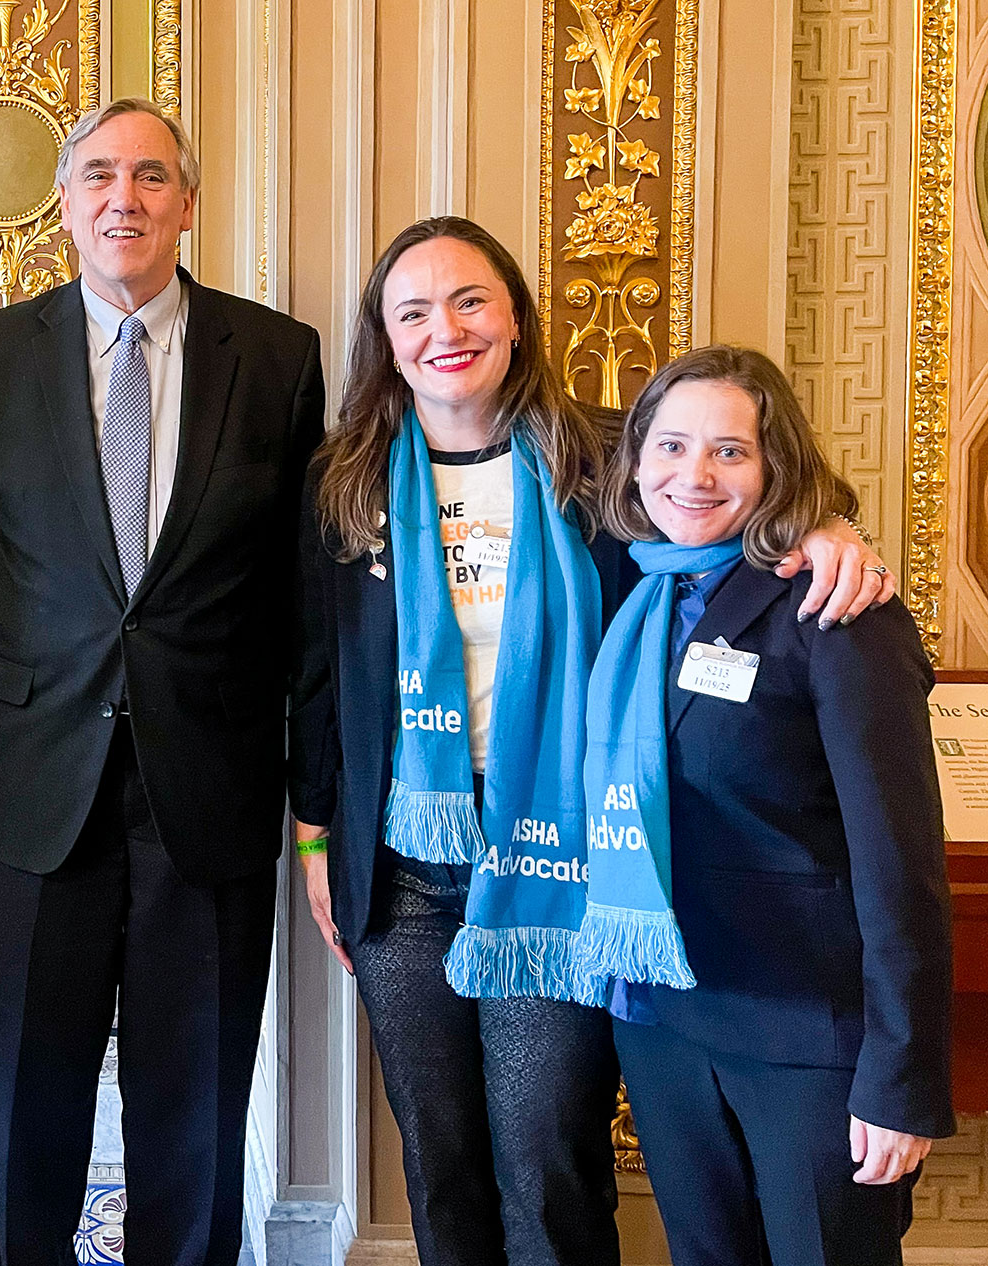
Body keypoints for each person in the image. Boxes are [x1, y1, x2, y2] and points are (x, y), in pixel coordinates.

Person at [287, 217, 895, 1266]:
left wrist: (825, 529)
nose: (446, 330)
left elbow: (727, 512)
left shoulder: (600, 461)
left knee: (548, 1158)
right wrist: (310, 842)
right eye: (413, 312)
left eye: (470, 301)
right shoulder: (341, 483)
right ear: (384, 341)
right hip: (398, 869)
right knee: (436, 1152)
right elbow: (313, 675)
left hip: (558, 853)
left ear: (515, 316)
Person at [0, 97, 325, 1266]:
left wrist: (307, 793)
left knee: (196, 1098)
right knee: (26, 1092)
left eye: (151, 176)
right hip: (32, 786)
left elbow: (297, 593)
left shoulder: (275, 356)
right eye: (99, 175)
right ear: (63, 204)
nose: (125, 197)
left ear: (188, 204)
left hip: (204, 785)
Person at [581, 345, 953, 1266]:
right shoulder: (633, 589)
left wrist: (900, 1077)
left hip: (806, 1037)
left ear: (775, 465)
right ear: (634, 459)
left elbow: (900, 862)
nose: (693, 475)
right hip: (664, 1020)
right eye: (669, 446)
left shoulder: (833, 606)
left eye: (729, 452)